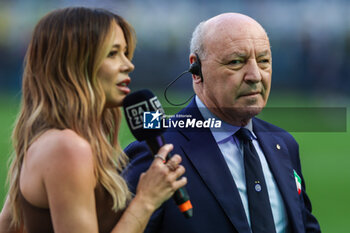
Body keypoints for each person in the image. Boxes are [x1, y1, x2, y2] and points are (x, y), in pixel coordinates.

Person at [124, 13, 321, 233]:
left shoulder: (284, 144)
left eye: (264, 61)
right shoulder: (156, 151)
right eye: (236, 62)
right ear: (197, 70)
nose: (255, 75)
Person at [0, 7, 187, 233]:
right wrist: (146, 200)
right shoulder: (67, 148)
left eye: (125, 52)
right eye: (112, 53)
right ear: (75, 65)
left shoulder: (50, 142)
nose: (128, 65)